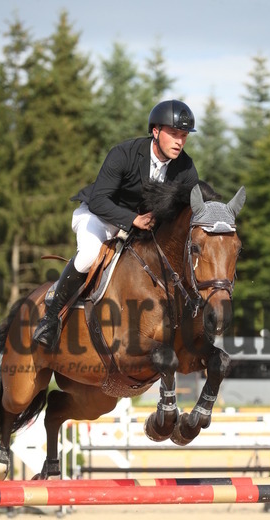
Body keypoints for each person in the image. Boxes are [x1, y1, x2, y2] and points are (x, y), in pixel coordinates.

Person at [33, 99, 198, 350]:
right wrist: (133, 219)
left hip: (139, 229)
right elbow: (99, 200)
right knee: (89, 255)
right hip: (98, 216)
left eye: (184, 136)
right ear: (155, 131)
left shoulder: (185, 167)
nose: (180, 141)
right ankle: (50, 318)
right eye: (174, 134)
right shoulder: (124, 154)